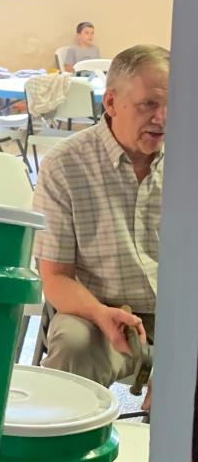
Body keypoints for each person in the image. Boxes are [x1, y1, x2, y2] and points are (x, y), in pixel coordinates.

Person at [33, 45, 168, 399]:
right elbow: (56, 278)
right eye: (149, 104)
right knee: (74, 345)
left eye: (175, 104)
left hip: (179, 313)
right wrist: (100, 313)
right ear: (110, 103)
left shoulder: (187, 159)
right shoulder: (64, 166)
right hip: (99, 311)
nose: (164, 117)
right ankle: (64, 451)